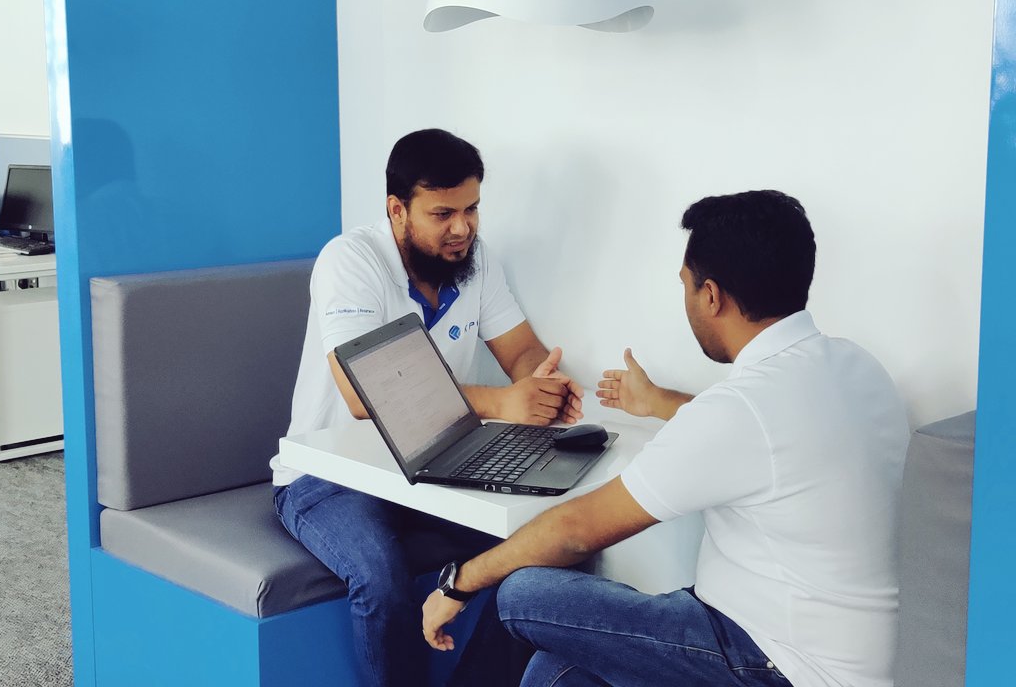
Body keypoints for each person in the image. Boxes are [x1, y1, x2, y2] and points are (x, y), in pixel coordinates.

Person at [422, 190, 910, 687]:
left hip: (775, 663)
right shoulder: (854, 366)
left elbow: (576, 531)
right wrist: (656, 401)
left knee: (522, 593)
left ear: (712, 296)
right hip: (829, 653)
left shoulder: (742, 411)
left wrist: (458, 583)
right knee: (557, 673)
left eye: (686, 285)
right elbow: (762, 435)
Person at [269, 128, 583, 687]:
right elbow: (362, 394)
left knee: (544, 546)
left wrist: (541, 382)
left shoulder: (475, 261)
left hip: (432, 466)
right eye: (443, 214)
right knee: (380, 578)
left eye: (472, 209)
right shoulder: (350, 260)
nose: (462, 228)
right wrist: (503, 402)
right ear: (397, 210)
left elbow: (520, 350)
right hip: (327, 479)